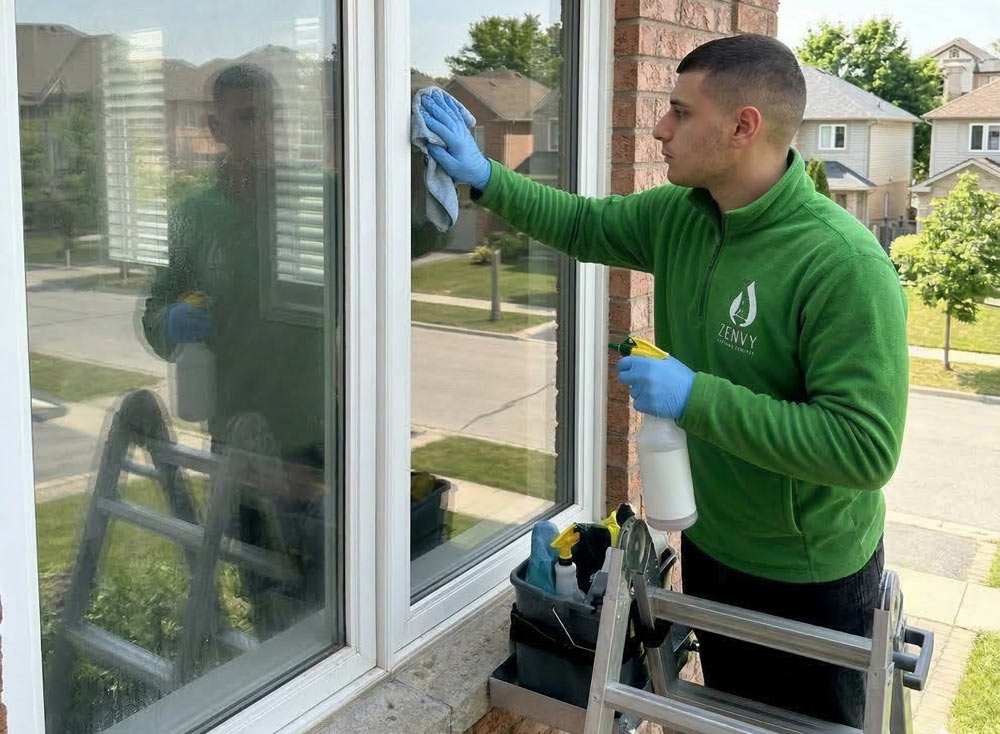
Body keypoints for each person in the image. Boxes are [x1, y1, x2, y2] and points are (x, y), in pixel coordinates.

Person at [419, 34, 908, 726]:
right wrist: (486, 177)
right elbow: (586, 223)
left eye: (680, 111)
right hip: (709, 547)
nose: (659, 126)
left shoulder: (843, 265)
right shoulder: (683, 215)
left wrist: (694, 395)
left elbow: (863, 449)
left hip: (810, 578)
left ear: (744, 127)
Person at [142, 63, 327, 638]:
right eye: (248, 117)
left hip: (322, 435)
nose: (265, 130)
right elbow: (154, 314)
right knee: (263, 589)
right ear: (216, 128)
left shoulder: (318, 199)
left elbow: (415, 235)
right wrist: (168, 323)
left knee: (334, 599)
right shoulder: (194, 218)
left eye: (273, 115)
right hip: (241, 441)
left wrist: (440, 177)